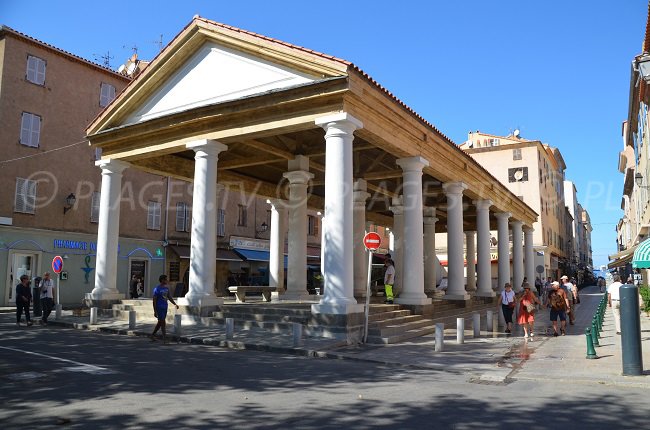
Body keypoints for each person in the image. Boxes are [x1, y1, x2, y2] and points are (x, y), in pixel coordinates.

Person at [150, 275, 179, 343]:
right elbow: (154, 300)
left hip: (165, 307)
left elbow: (169, 297)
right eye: (165, 279)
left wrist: (175, 304)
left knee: (160, 322)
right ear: (162, 280)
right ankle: (164, 338)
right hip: (159, 307)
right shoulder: (157, 289)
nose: (166, 281)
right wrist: (155, 311)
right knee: (163, 322)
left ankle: (152, 335)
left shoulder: (166, 289)